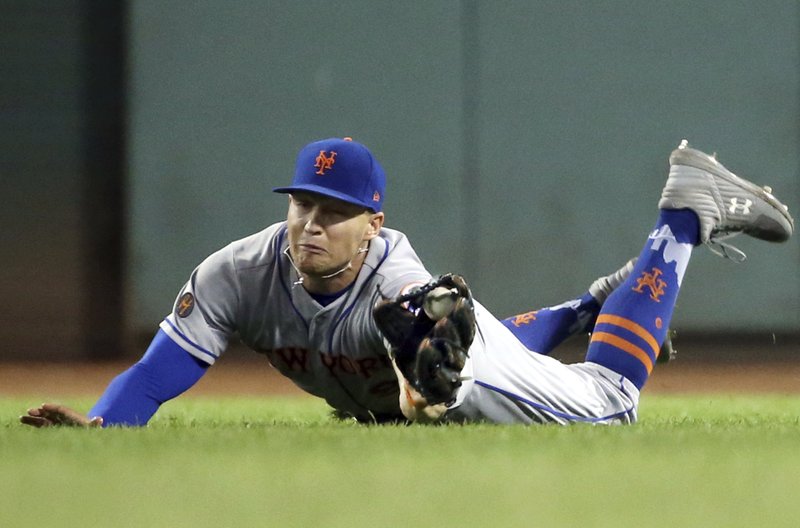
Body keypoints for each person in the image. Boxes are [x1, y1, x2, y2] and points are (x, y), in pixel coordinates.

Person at [21, 137, 794, 427]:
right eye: (301, 205)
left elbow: (428, 392)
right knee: (479, 346)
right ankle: (595, 302)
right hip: (466, 349)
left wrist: (429, 386)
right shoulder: (236, 274)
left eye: (335, 211)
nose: (310, 224)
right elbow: (155, 376)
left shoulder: (396, 279)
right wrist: (100, 430)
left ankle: (684, 217)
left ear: (374, 221)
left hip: (454, 370)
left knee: (612, 401)